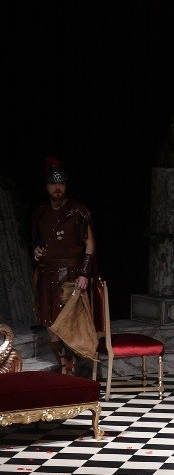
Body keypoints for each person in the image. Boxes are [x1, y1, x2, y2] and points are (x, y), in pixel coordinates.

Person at [30, 156, 95, 375]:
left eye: (61, 183)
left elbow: (89, 243)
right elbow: (38, 241)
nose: (57, 187)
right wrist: (36, 250)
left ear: (66, 185)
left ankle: (70, 367)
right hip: (47, 273)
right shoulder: (40, 213)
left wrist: (84, 272)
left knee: (68, 322)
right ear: (46, 186)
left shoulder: (78, 211)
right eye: (53, 183)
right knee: (49, 321)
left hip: (71, 273)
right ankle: (63, 364)